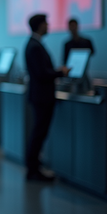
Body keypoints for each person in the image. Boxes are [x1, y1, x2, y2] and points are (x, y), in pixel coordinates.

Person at [25, 14, 70, 182]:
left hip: (39, 96)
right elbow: (42, 73)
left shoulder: (34, 44)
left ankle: (34, 167)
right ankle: (33, 169)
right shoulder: (35, 46)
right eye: (46, 23)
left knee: (39, 133)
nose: (48, 26)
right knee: (39, 133)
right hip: (42, 97)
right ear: (39, 25)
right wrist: (61, 72)